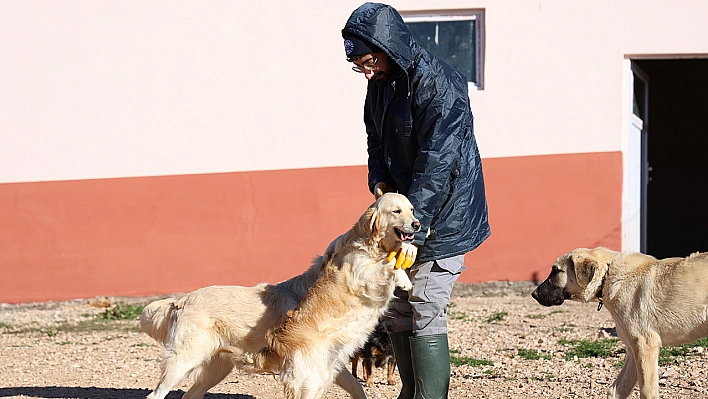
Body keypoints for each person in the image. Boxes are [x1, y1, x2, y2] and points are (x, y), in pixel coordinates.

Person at [342, 3, 491, 399]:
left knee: (425, 302)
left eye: (369, 61)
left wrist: (412, 226)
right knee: (397, 309)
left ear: (388, 46)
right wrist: (380, 181)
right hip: (408, 214)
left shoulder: (439, 86)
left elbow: (437, 164)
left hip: (444, 213)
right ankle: (411, 392)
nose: (366, 72)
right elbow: (375, 140)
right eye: (358, 66)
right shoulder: (379, 87)